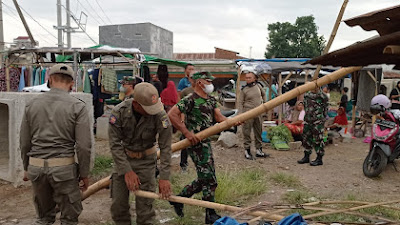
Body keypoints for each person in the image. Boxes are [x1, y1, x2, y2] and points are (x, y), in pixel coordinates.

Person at [20, 63, 92, 225]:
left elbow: (24, 142)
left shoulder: (32, 104)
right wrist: (84, 173)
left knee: (44, 218)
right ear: (72, 83)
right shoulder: (77, 106)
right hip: (64, 171)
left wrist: (26, 168)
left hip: (36, 169)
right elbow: (83, 146)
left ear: (50, 79)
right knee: (68, 219)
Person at [168, 71, 229, 224]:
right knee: (209, 178)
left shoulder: (211, 100)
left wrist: (233, 122)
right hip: (194, 143)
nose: (211, 84)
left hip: (206, 141)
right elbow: (172, 114)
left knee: (207, 178)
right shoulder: (190, 100)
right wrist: (187, 133)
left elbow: (219, 118)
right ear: (200, 82)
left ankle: (180, 199)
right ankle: (210, 213)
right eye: (208, 81)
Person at [109, 82, 172, 225]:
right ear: (136, 104)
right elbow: (115, 145)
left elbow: (166, 147)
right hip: (123, 161)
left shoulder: (160, 116)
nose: (153, 111)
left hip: (146, 163)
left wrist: (164, 177)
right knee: (118, 207)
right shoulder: (119, 112)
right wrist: (126, 171)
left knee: (145, 212)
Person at [238, 71, 269, 160]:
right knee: (247, 131)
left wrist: (265, 104)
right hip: (248, 112)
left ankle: (259, 150)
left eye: (249, 77)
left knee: (258, 130)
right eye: (246, 78)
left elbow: (263, 94)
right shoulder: (244, 89)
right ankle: (247, 151)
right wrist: (240, 114)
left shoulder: (258, 86)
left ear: (254, 78)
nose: (247, 79)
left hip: (258, 111)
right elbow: (240, 102)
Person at [297, 85, 329, 166]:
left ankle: (319, 158)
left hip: (317, 122)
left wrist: (322, 120)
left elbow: (326, 108)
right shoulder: (307, 95)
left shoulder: (322, 96)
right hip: (308, 120)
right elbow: (305, 105)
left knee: (318, 139)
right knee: (306, 139)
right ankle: (306, 156)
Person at [179, 74, 195, 172]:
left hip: (200, 122)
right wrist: (182, 121)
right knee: (184, 144)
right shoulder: (185, 92)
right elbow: (181, 108)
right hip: (188, 122)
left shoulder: (203, 91)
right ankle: (183, 165)